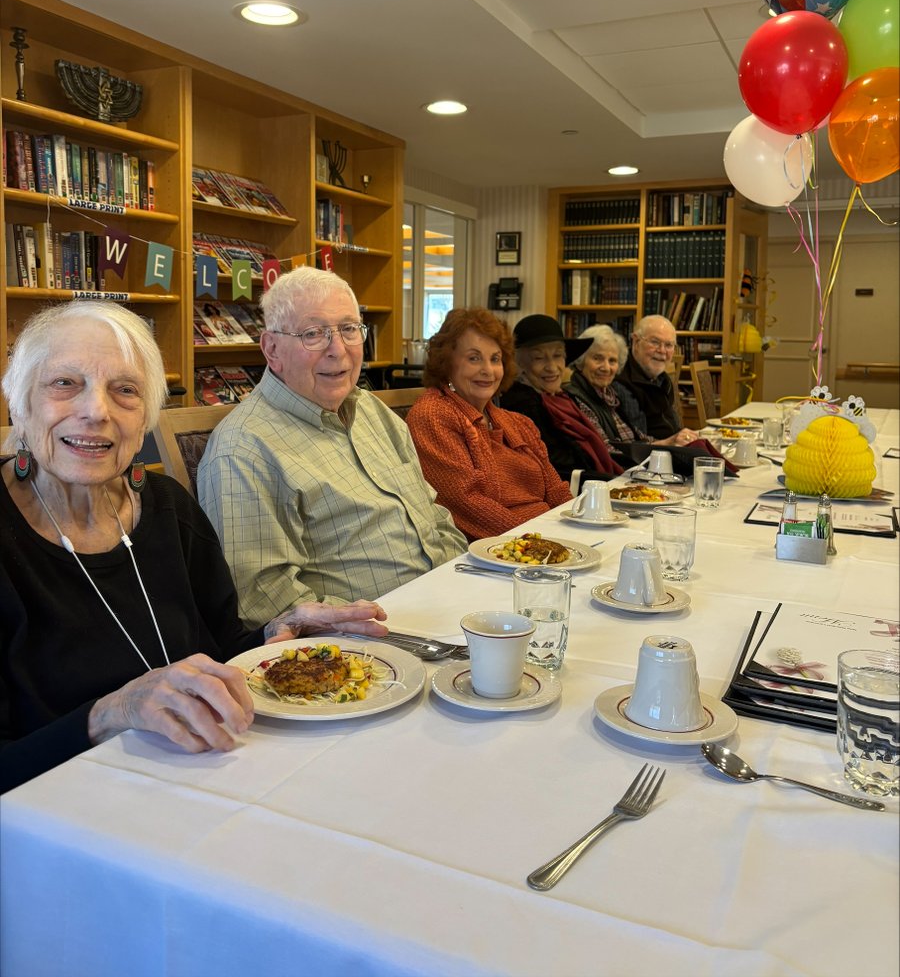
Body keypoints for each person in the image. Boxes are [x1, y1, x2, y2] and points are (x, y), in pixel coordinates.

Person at [0, 302, 388, 795]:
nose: (96, 411)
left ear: (145, 417)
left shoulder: (166, 508)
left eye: (125, 390)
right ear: (18, 401)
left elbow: (220, 649)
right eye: (64, 384)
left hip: (205, 779)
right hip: (62, 825)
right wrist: (112, 713)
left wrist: (279, 631)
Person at [198, 268, 466, 628]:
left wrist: (463, 582)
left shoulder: (374, 412)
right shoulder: (243, 449)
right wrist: (372, 622)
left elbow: (432, 516)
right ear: (272, 349)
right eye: (313, 334)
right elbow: (260, 599)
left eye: (349, 329)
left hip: (449, 603)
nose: (337, 350)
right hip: (366, 645)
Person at [406, 308, 571, 541]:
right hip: (498, 552)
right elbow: (467, 505)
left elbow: (556, 490)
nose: (488, 370)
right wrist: (537, 543)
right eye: (474, 358)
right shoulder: (432, 415)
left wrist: (578, 527)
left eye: (495, 359)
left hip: (548, 539)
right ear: (446, 362)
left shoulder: (518, 422)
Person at [499, 314, 622, 489]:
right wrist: (610, 483)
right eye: (539, 358)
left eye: (557, 356)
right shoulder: (521, 403)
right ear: (520, 364)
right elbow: (553, 463)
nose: (551, 367)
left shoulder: (562, 397)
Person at [565, 324, 698, 449]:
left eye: (612, 361)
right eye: (597, 359)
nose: (606, 368)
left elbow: (638, 439)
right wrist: (665, 446)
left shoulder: (609, 395)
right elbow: (607, 452)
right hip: (621, 471)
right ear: (581, 361)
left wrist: (670, 441)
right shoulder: (577, 400)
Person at [617, 315, 687, 439]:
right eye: (655, 342)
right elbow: (639, 442)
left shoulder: (662, 378)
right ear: (636, 341)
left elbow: (673, 427)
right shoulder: (622, 381)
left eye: (669, 345)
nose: (662, 351)